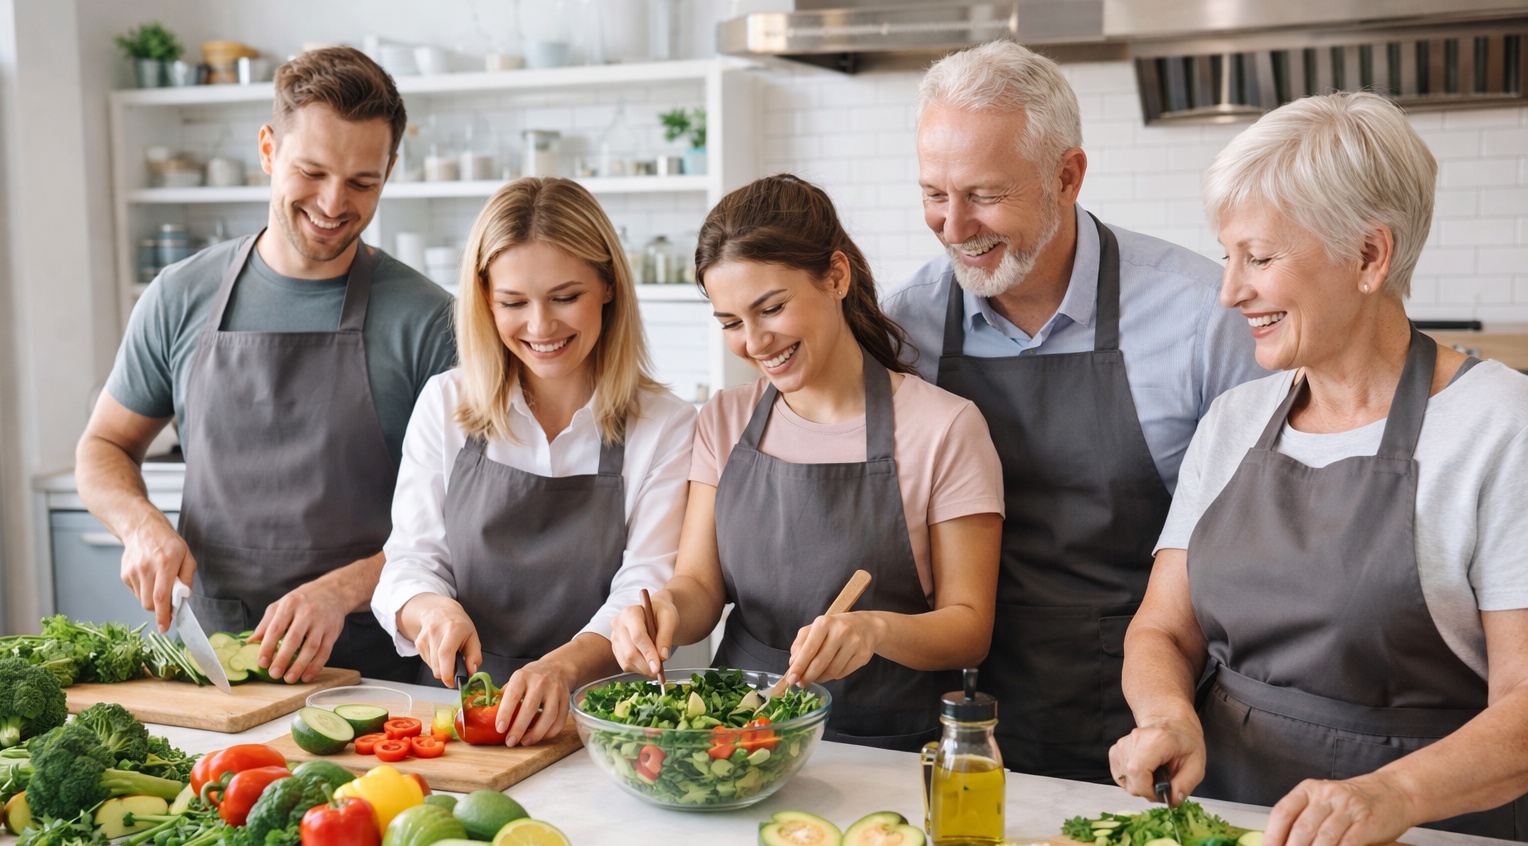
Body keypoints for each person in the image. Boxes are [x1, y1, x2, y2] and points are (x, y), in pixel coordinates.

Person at [1109, 92, 1528, 846]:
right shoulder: (1236, 419)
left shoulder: (1499, 425)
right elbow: (1161, 630)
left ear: (1371, 256)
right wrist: (1169, 717)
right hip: (1229, 842)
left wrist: (1385, 796)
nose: (1229, 292)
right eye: (1227, 256)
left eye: (1258, 258)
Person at [883, 40, 1265, 781]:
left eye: (984, 195)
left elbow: (1260, 534)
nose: (954, 227)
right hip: (963, 713)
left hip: (1156, 708)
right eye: (935, 193)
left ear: (1067, 176)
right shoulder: (903, 329)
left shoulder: (1200, 317)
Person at [76, 47, 454, 684]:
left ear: (389, 170)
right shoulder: (178, 296)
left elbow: (465, 519)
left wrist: (339, 592)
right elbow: (104, 445)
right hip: (212, 663)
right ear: (268, 150)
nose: (335, 204)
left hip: (374, 674)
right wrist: (140, 526)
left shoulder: (428, 321)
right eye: (312, 171)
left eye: (363, 182)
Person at [612, 174, 1004, 751]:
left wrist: (872, 630)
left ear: (836, 276)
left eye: (770, 308)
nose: (754, 342)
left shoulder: (944, 427)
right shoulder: (725, 419)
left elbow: (969, 627)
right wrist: (661, 611)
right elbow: (699, 584)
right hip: (740, 736)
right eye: (729, 323)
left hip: (883, 745)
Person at [372, 177, 696, 744]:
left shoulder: (665, 424)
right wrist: (431, 611)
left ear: (609, 287)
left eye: (565, 297)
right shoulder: (446, 402)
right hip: (459, 720)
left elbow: (643, 587)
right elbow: (409, 560)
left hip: (604, 721)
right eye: (513, 303)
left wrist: (564, 668)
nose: (541, 327)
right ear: (484, 300)